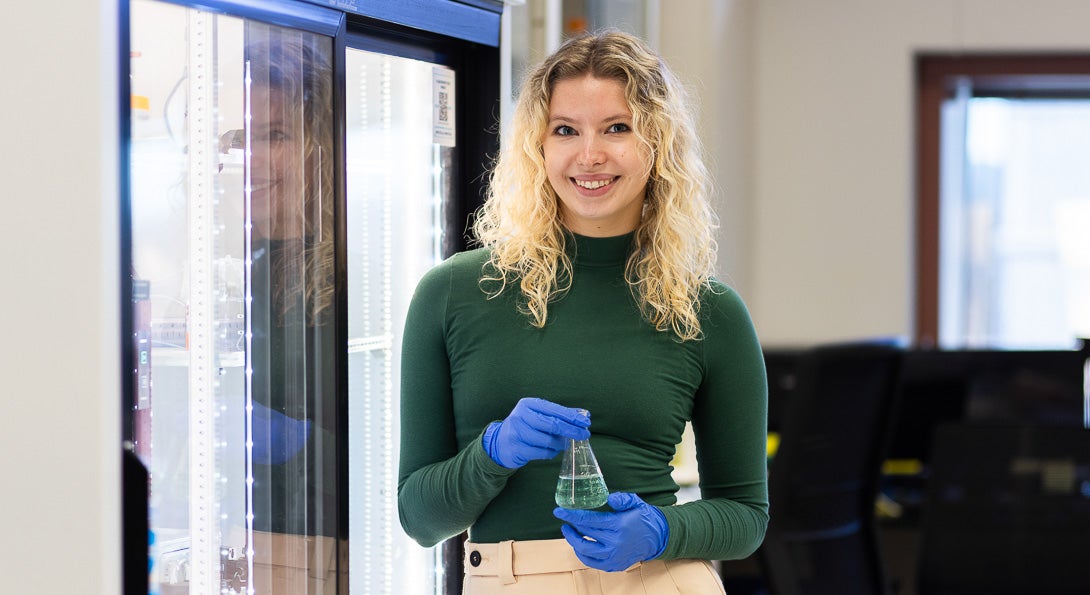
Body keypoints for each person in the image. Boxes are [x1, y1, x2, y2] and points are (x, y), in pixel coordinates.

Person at [397, 29, 769, 593]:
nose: (590, 154)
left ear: (657, 144)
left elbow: (746, 516)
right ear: (538, 147)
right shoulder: (453, 294)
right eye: (566, 130)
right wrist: (492, 454)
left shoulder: (707, 309)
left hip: (659, 579)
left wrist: (661, 529)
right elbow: (420, 519)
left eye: (617, 128)